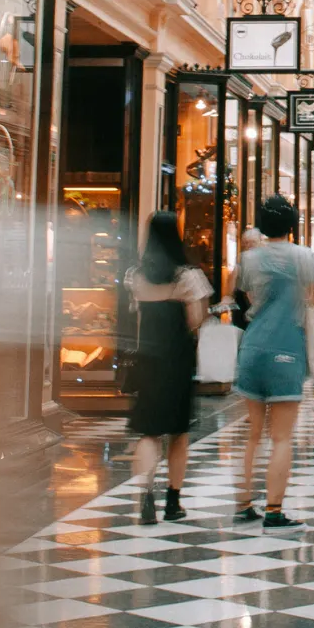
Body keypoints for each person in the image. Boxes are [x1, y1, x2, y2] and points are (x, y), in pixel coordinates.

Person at [232, 194, 314, 528]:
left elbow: (246, 294)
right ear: (292, 225)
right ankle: (273, 510)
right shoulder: (304, 257)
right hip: (287, 347)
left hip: (253, 347)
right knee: (281, 437)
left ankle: (243, 505)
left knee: (252, 435)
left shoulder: (249, 259)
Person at [124, 211, 210, 526]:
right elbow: (195, 320)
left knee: (149, 432)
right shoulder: (188, 277)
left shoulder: (137, 276)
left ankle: (146, 493)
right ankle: (173, 501)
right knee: (178, 432)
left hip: (148, 359)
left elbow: (136, 317)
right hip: (177, 361)